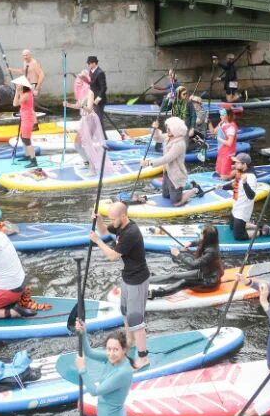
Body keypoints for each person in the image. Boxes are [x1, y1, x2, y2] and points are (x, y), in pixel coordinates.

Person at [91, 201, 151, 369]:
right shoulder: (120, 225)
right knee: (124, 311)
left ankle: (143, 357)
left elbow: (112, 256)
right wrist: (99, 220)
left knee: (136, 320)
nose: (112, 222)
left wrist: (97, 241)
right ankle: (129, 340)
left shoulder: (130, 233)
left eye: (113, 219)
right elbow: (103, 231)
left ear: (123, 216)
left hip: (137, 280)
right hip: (127, 276)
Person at [148, 224, 223, 298]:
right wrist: (191, 243)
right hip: (202, 273)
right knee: (174, 275)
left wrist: (178, 255)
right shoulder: (212, 242)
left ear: (207, 237)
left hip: (209, 282)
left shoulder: (211, 252)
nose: (200, 235)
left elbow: (193, 264)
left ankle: (152, 294)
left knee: (183, 282)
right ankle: (147, 281)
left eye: (201, 234)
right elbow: (200, 241)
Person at [144, 117, 198, 207]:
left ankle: (194, 189)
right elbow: (157, 138)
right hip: (167, 171)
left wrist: (149, 163)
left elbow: (167, 158)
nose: (167, 130)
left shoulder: (179, 143)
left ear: (176, 130)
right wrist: (156, 129)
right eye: (167, 128)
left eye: (170, 129)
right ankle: (190, 185)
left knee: (176, 203)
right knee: (165, 195)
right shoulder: (168, 137)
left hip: (176, 175)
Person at [68, 70, 113, 173]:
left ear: (86, 82)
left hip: (90, 120)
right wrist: (68, 105)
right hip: (84, 120)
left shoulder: (90, 92)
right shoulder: (80, 93)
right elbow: (78, 106)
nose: (78, 83)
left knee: (87, 144)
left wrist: (82, 106)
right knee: (77, 144)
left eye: (80, 81)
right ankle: (88, 162)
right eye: (77, 81)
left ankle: (93, 169)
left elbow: (89, 109)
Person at [222, 153, 258, 240]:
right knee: (231, 227)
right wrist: (223, 187)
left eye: (237, 163)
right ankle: (252, 225)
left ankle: (262, 232)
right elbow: (235, 184)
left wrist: (245, 183)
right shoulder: (240, 172)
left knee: (239, 236)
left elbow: (251, 196)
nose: (235, 165)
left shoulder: (251, 177)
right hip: (236, 206)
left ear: (244, 164)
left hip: (243, 210)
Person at [11, 76, 38, 168]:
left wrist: (17, 92)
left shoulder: (26, 94)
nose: (17, 85)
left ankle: (33, 160)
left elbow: (15, 103)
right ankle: (27, 155)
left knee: (26, 139)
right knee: (23, 137)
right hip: (25, 117)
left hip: (27, 118)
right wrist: (19, 92)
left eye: (18, 84)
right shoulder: (25, 92)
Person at [211, 106, 238, 177]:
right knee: (218, 172)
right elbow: (213, 132)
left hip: (228, 152)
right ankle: (235, 166)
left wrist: (218, 138)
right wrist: (208, 122)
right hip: (221, 151)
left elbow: (229, 143)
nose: (220, 117)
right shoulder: (222, 123)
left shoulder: (231, 127)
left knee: (224, 177)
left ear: (228, 116)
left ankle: (238, 170)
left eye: (222, 115)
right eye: (220, 115)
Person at [87, 55, 107, 127]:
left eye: (89, 63)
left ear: (94, 63)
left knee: (98, 120)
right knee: (94, 119)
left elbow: (103, 88)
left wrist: (98, 99)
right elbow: (91, 85)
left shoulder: (100, 73)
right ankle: (96, 136)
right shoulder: (91, 72)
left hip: (98, 101)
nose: (88, 65)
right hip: (92, 99)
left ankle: (103, 137)